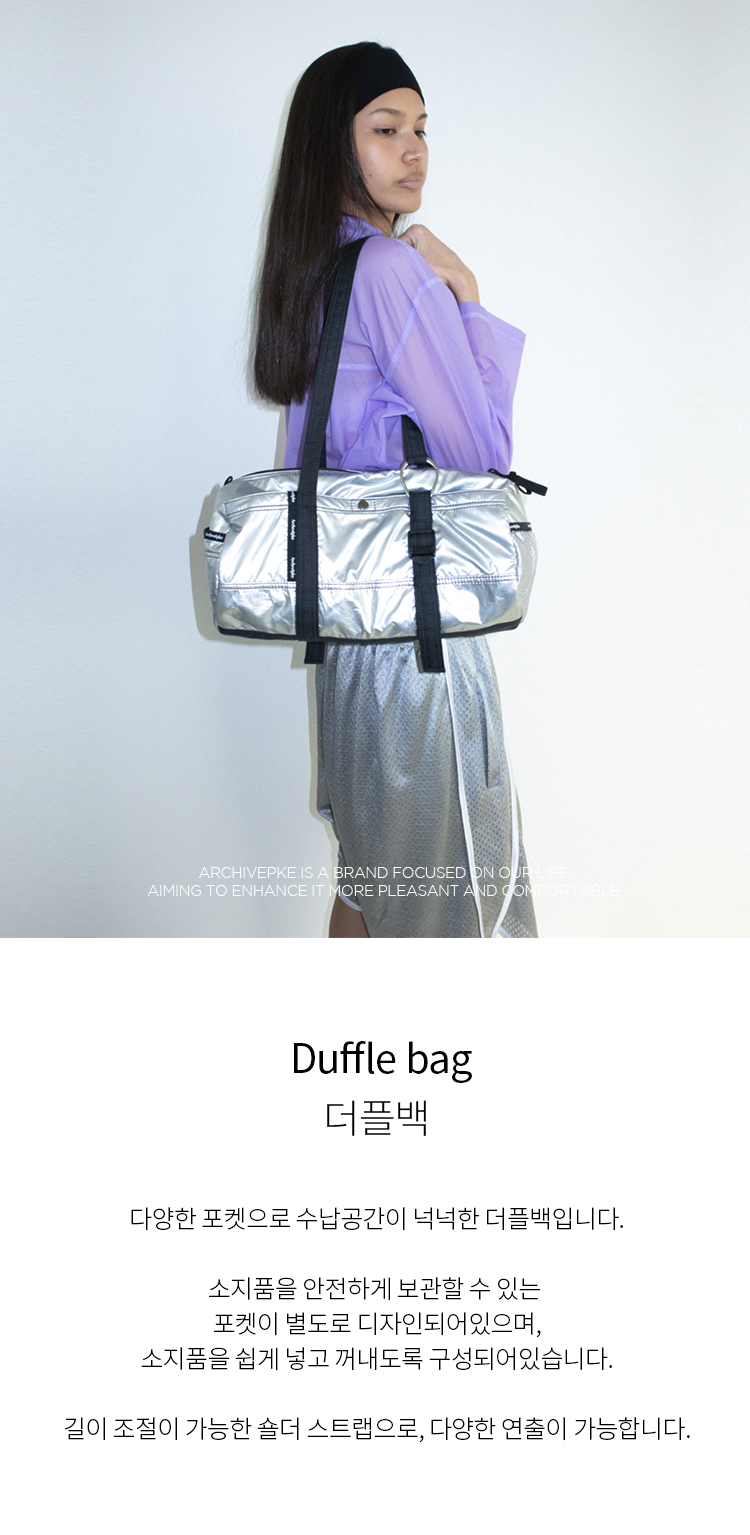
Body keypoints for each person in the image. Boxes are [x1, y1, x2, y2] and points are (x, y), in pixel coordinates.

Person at [254, 42, 538, 940]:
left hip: (350, 641)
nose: (414, 150)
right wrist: (467, 295)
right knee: (454, 906)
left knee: (371, 885)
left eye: (420, 129)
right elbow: (481, 457)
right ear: (332, 144)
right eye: (386, 128)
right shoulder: (387, 271)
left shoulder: (317, 273)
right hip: (418, 647)